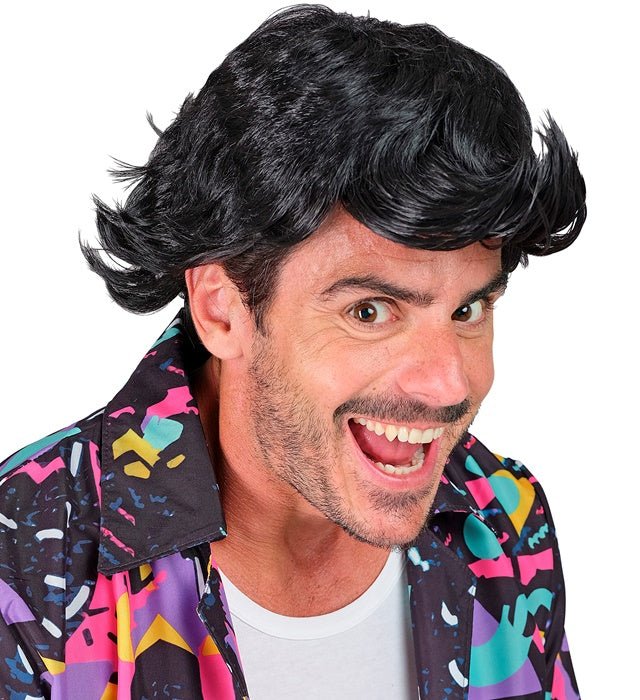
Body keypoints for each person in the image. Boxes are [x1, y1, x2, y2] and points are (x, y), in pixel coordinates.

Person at [0, 5, 585, 699]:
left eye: (468, 311)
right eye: (370, 311)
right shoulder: (29, 558)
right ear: (221, 309)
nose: (447, 383)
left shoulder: (503, 521)